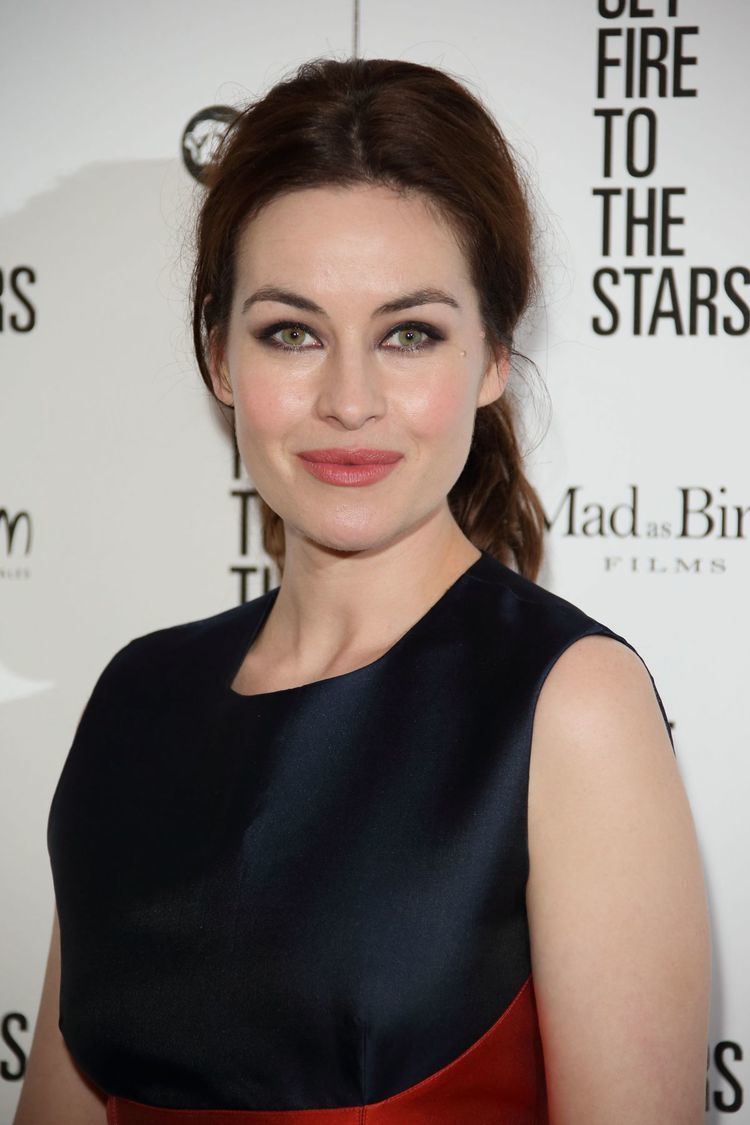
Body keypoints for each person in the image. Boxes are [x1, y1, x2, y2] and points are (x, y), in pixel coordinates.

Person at [16, 56, 711, 1125]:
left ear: (490, 358)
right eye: (291, 332)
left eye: (410, 334)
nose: (349, 400)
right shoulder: (135, 702)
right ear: (218, 357)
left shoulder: (570, 707)